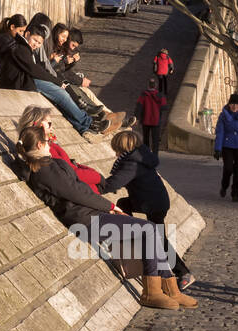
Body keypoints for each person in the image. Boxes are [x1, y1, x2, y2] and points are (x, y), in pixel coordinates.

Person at [13, 125, 191, 309]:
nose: (51, 144)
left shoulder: (49, 165)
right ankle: (152, 293)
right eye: (47, 141)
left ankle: (170, 289)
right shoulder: (44, 171)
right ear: (40, 144)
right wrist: (110, 206)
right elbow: (75, 193)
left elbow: (78, 185)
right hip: (86, 220)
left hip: (92, 213)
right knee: (149, 230)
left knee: (150, 230)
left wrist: (107, 207)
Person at [0, 12, 115, 136]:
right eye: (35, 40)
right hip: (24, 81)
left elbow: (37, 68)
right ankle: (89, 122)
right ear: (27, 34)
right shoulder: (21, 47)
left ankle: (85, 125)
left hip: (27, 79)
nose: (36, 44)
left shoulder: (24, 46)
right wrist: (57, 81)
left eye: (39, 43)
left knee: (63, 96)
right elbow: (34, 69)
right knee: (62, 95)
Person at [107, 129, 195, 290]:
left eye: (117, 151)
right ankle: (133, 236)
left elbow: (113, 183)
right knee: (123, 203)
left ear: (123, 149)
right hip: (153, 201)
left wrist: (88, 186)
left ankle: (183, 273)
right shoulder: (139, 158)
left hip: (152, 204)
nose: (115, 155)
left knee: (160, 240)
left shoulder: (131, 163)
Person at [16, 105, 107, 194]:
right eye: (49, 124)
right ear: (37, 124)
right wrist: (99, 177)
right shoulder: (44, 149)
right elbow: (74, 174)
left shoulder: (48, 143)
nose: (52, 127)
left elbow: (72, 165)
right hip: (86, 190)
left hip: (88, 187)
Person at [48, 25, 124, 129]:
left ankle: (109, 115)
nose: (64, 41)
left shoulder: (63, 49)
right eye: (63, 37)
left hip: (63, 80)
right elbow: (61, 72)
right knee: (82, 92)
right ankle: (104, 116)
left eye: (66, 38)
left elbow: (64, 70)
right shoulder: (55, 48)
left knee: (88, 93)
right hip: (61, 82)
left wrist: (71, 63)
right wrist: (79, 79)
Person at [0, 13, 27, 85]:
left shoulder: (10, 38)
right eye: (20, 31)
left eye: (23, 31)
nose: (22, 34)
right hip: (7, 81)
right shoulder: (5, 39)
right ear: (12, 27)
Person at [135, 76, 167, 153]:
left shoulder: (143, 95)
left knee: (146, 139)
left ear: (148, 85)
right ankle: (155, 156)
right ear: (155, 86)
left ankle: (146, 155)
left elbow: (138, 107)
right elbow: (164, 107)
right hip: (156, 121)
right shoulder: (160, 95)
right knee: (155, 140)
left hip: (145, 120)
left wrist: (137, 118)